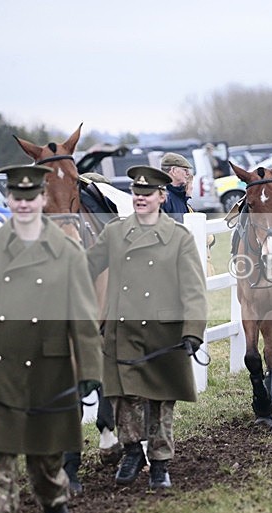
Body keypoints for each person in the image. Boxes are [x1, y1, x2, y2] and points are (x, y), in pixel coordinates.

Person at [0, 165, 102, 513]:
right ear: (9, 200)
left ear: (44, 198)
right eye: (18, 197)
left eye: (32, 197)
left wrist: (90, 371)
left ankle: (55, 509)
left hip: (48, 372)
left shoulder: (67, 252)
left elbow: (83, 317)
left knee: (45, 465)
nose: (25, 204)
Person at [87, 165, 207, 489]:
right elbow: (86, 266)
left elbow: (194, 289)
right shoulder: (114, 232)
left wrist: (193, 330)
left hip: (162, 331)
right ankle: (131, 450)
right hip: (122, 328)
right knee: (124, 397)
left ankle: (160, 462)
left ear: (162, 196)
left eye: (147, 194)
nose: (140, 199)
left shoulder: (178, 238)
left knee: (160, 401)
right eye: (136, 194)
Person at [160, 152, 193, 223]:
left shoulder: (178, 195)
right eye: (185, 170)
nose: (188, 174)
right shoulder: (164, 198)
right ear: (173, 171)